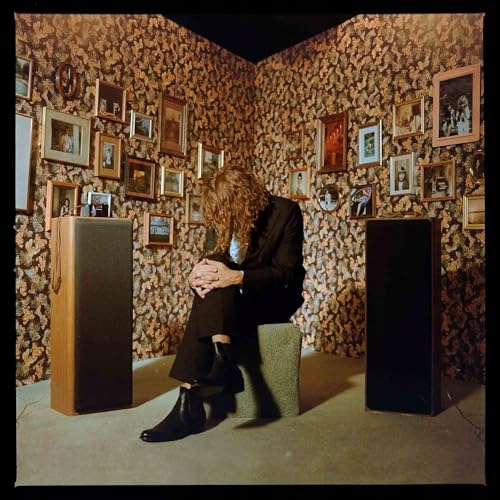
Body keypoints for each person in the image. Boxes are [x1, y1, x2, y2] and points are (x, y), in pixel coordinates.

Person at [140, 166, 306, 443]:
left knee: (219, 283)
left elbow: (287, 274)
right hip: (230, 296)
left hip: (271, 297)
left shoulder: (286, 212)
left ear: (246, 198)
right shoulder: (222, 215)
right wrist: (194, 277)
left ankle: (190, 402)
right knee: (212, 276)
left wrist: (237, 277)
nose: (224, 217)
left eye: (229, 209)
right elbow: (211, 260)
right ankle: (222, 359)